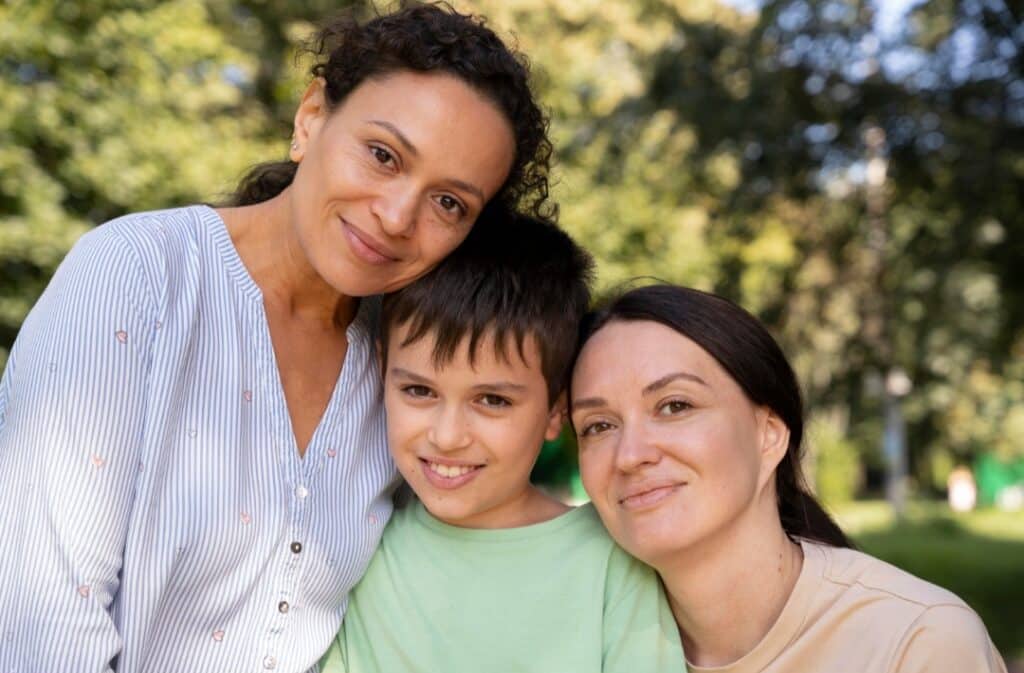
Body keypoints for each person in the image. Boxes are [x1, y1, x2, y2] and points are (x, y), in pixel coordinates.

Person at [0, 4, 552, 672]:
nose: (398, 215)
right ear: (311, 118)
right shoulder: (139, 275)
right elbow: (44, 617)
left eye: (449, 203)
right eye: (383, 155)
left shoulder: (405, 372)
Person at [569, 284, 1008, 673]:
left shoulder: (916, 642)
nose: (629, 455)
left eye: (675, 406)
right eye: (598, 426)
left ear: (769, 436)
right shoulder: (581, 642)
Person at [318, 211, 685, 673]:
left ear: (556, 411)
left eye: (491, 400)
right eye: (418, 391)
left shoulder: (613, 563)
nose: (447, 436)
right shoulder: (361, 549)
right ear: (380, 372)